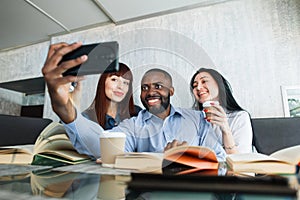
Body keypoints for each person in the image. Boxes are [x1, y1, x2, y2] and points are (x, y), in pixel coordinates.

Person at [42, 42, 226, 161]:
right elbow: (102, 144)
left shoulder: (197, 119)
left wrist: (189, 157)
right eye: (145, 88)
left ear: (171, 91)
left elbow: (219, 158)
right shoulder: (133, 125)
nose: (150, 92)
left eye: (158, 86)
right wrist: (63, 107)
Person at [190, 68, 253, 154]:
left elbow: (240, 161)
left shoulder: (239, 117)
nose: (198, 87)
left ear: (219, 84)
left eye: (204, 81)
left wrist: (225, 129)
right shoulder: (192, 120)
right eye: (195, 85)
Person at [77, 63, 141, 130]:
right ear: (103, 81)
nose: (121, 87)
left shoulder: (137, 114)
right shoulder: (87, 119)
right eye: (114, 80)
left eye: (126, 83)